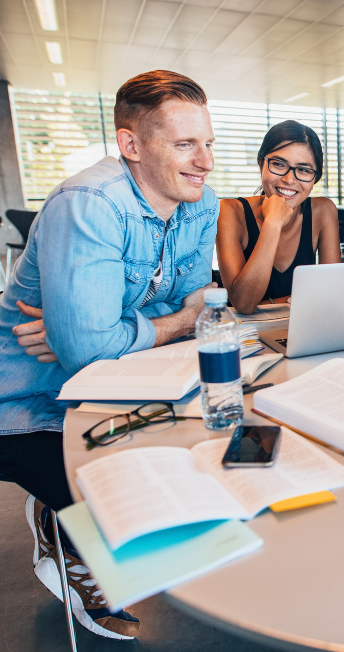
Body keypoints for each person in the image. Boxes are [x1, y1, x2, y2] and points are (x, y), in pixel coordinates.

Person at [0, 70, 220, 640]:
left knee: (200, 465)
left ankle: (65, 509)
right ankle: (65, 526)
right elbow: (178, 315)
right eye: (184, 144)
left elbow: (195, 310)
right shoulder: (89, 203)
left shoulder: (200, 201)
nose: (205, 162)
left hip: (118, 384)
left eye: (209, 143)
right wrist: (112, 333)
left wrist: (101, 331)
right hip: (25, 399)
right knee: (127, 502)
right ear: (130, 146)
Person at [216, 120, 340, 313]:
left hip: (304, 328)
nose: (289, 179)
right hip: (247, 335)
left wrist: (267, 304)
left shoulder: (323, 211)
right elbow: (243, 303)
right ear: (261, 164)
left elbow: (332, 295)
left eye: (304, 170)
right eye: (279, 164)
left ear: (315, 178)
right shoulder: (230, 211)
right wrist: (273, 222)